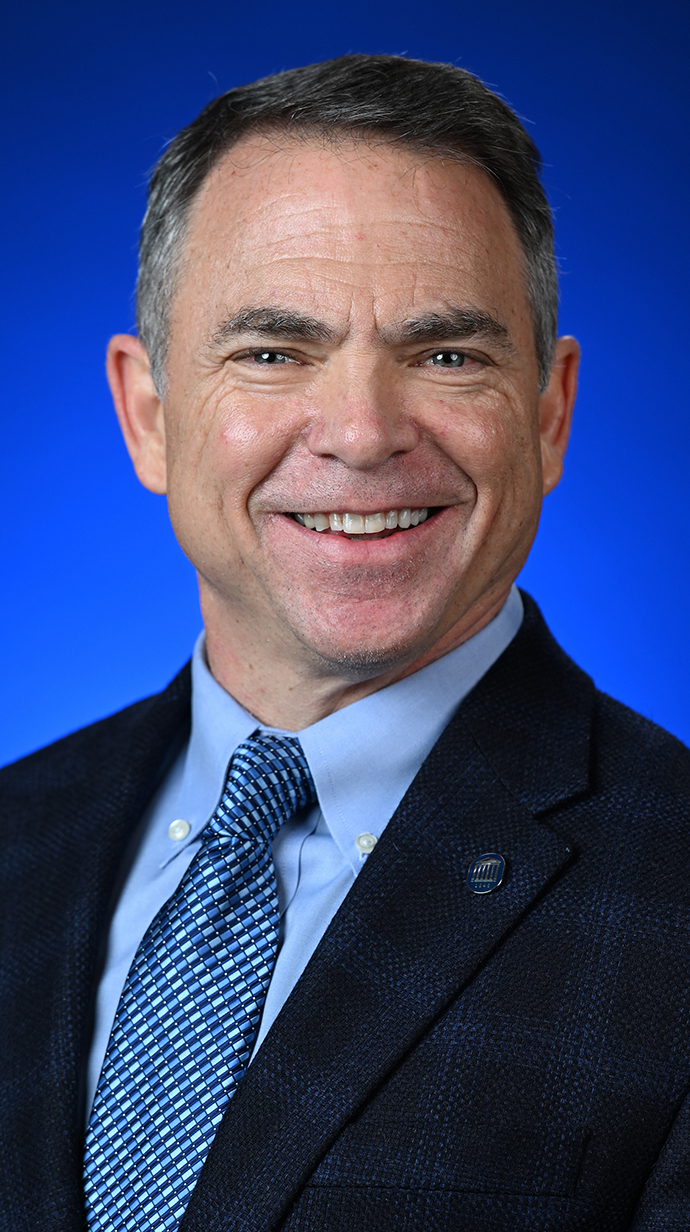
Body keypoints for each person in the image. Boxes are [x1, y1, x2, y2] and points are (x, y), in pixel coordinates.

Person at [1, 52, 689, 1232]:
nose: (364, 434)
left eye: (447, 354)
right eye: (274, 351)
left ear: (550, 413)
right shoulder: (20, 835)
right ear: (148, 414)